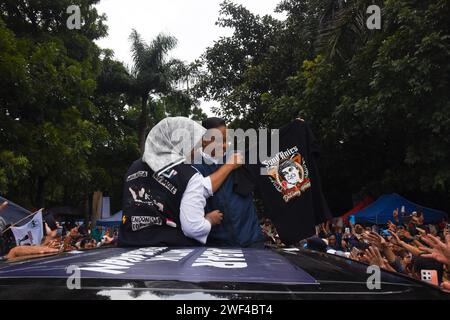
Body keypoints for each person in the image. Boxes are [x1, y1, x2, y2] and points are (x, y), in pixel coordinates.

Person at [118, 117, 242, 247]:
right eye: (194, 146)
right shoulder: (189, 175)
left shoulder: (134, 167)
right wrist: (209, 220)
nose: (197, 152)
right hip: (168, 251)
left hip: (127, 246)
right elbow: (194, 228)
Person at [192, 117, 265, 247]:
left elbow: (272, 151)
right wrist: (229, 166)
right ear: (203, 141)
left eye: (226, 140)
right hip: (218, 247)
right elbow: (202, 189)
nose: (225, 145)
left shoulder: (239, 158)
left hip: (252, 240)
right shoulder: (194, 168)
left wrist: (297, 130)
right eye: (219, 141)